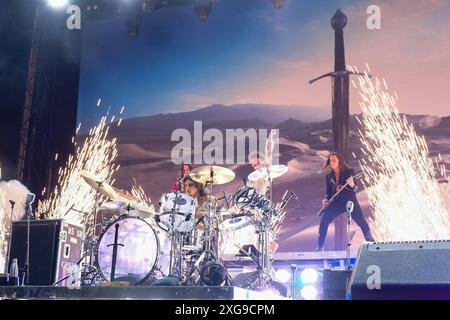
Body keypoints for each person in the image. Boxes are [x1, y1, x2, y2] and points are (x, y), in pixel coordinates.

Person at [317, 151, 375, 251]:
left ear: (339, 161)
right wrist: (326, 200)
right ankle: (320, 246)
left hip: (349, 202)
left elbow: (355, 188)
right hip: (336, 203)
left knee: (361, 221)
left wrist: (352, 184)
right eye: (330, 160)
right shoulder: (329, 177)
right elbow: (328, 193)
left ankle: (371, 242)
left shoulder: (349, 172)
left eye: (334, 160)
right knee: (324, 221)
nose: (332, 162)